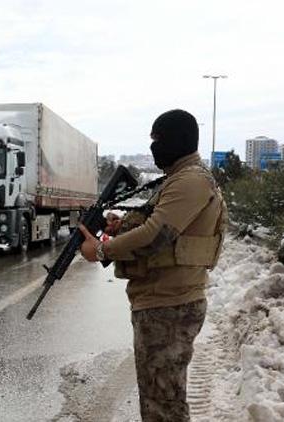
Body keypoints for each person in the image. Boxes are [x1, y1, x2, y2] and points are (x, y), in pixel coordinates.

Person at [78, 109, 227, 421]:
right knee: (159, 399)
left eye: (157, 140)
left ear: (176, 140)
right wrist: (122, 226)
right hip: (162, 302)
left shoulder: (191, 181)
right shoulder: (179, 180)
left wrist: (102, 251)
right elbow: (159, 226)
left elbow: (155, 235)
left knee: (164, 405)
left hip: (170, 306)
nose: (153, 148)